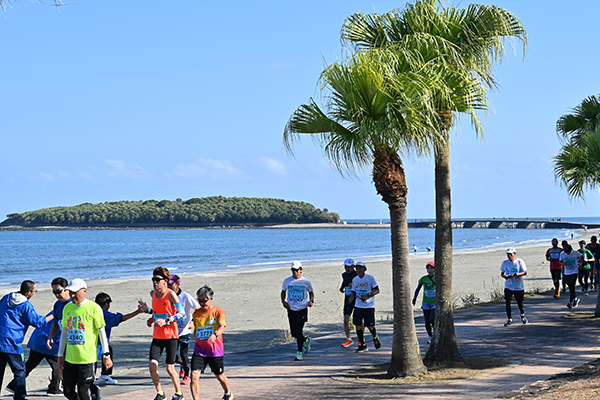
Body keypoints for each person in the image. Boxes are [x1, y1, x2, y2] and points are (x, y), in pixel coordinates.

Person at [6, 277, 70, 397]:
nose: (57, 295)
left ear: (67, 289)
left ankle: (13, 385)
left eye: (58, 292)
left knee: (29, 364)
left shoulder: (59, 306)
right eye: (54, 292)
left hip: (37, 338)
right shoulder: (61, 306)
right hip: (46, 340)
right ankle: (54, 389)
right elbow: (49, 324)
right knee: (57, 365)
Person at [58, 278, 112, 400]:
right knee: (67, 390)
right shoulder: (67, 308)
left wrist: (106, 355)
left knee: (83, 391)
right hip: (70, 358)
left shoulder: (94, 308)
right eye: (70, 292)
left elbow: (102, 332)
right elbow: (64, 333)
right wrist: (60, 355)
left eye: (75, 292)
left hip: (87, 359)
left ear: (85, 291)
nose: (72, 295)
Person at [0, 280, 48, 400]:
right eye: (34, 291)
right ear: (28, 292)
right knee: (20, 370)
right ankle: (20, 397)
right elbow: (38, 322)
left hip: (1, 339)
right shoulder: (25, 305)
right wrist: (54, 315)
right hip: (12, 343)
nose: (34, 293)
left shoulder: (6, 298)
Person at [144, 266, 186, 400]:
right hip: (157, 336)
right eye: (153, 279)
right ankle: (160, 393)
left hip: (171, 337)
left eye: (157, 279)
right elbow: (157, 312)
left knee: (169, 368)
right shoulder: (153, 294)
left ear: (165, 281)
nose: (155, 282)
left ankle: (179, 393)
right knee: (152, 366)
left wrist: (167, 321)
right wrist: (150, 316)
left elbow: (182, 313)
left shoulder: (171, 294)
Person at [190, 285, 232, 400]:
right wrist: (189, 324)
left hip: (215, 351)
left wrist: (216, 334)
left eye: (204, 301)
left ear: (211, 299)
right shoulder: (196, 313)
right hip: (199, 350)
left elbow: (222, 326)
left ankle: (228, 393)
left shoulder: (218, 311)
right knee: (194, 376)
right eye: (199, 300)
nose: (202, 303)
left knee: (219, 376)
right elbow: (194, 324)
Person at [94, 292, 146, 385]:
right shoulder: (105, 314)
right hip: (99, 343)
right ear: (106, 304)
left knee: (106, 351)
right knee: (103, 353)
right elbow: (121, 318)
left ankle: (93, 376)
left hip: (90, 341)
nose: (109, 306)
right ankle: (104, 376)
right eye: (109, 304)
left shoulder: (92, 311)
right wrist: (137, 312)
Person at [168, 274, 199, 385]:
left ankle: (187, 375)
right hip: (172, 331)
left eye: (171, 285)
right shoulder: (167, 296)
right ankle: (182, 364)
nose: (169, 287)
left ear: (178, 284)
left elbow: (198, 309)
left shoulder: (186, 297)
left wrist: (192, 322)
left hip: (185, 330)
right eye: (167, 285)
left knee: (184, 353)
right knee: (171, 355)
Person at [281, 260, 314, 361]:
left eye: (296, 270)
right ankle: (306, 340)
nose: (294, 272)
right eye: (293, 270)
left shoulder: (306, 282)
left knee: (299, 331)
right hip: (291, 309)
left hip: (302, 309)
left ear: (301, 270)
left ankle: (299, 352)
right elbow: (283, 291)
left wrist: (311, 301)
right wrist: (283, 302)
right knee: (294, 333)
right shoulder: (287, 281)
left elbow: (311, 292)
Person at [350, 261, 381, 352]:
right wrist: (352, 297)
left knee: (369, 325)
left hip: (369, 306)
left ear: (365, 269)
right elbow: (354, 291)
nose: (358, 270)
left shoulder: (370, 278)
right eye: (357, 268)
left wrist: (368, 295)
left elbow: (377, 290)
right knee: (357, 325)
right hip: (358, 305)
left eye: (360, 268)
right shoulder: (355, 279)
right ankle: (362, 344)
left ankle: (375, 337)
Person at [501, 248, 528, 326]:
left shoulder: (520, 262)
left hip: (518, 287)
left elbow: (525, 272)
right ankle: (510, 319)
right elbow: (502, 273)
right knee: (508, 302)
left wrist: (516, 274)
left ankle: (522, 315)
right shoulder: (505, 263)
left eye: (511, 254)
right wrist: (504, 276)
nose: (509, 256)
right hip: (508, 286)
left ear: (515, 254)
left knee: (519, 302)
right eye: (508, 254)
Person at [412, 261, 436, 343]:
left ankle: (436, 333)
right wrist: (414, 298)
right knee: (427, 321)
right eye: (428, 268)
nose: (429, 270)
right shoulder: (423, 279)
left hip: (434, 303)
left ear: (434, 269)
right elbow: (418, 289)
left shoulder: (437, 278)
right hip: (426, 303)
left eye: (431, 268)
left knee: (432, 319)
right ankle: (430, 336)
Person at [338, 258, 357, 348]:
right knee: (346, 319)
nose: (347, 268)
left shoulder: (357, 275)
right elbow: (345, 282)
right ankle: (349, 338)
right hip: (347, 300)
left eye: (349, 267)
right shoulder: (344, 275)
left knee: (358, 321)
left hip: (357, 300)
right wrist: (342, 288)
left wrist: (353, 287)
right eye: (345, 266)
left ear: (353, 266)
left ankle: (361, 338)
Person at [560, 243, 583, 309]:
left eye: (569, 252)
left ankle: (570, 302)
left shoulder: (575, 253)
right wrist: (563, 263)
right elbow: (560, 261)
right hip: (566, 272)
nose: (568, 253)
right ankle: (575, 298)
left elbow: (582, 257)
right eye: (566, 252)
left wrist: (580, 263)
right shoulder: (562, 254)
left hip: (574, 271)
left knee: (572, 284)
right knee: (570, 286)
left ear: (571, 250)